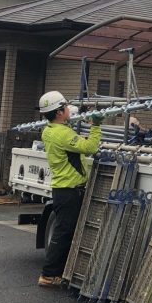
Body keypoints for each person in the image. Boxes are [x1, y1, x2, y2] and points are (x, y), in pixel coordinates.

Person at [36, 91, 104, 288]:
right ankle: (48, 274)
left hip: (62, 189)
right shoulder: (63, 134)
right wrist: (96, 126)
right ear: (58, 112)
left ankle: (57, 271)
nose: (68, 109)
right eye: (65, 107)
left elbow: (69, 141)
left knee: (64, 230)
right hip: (69, 191)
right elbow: (91, 147)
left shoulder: (49, 130)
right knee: (64, 232)